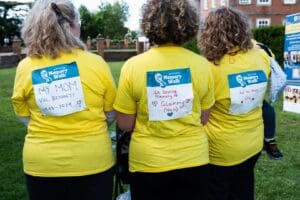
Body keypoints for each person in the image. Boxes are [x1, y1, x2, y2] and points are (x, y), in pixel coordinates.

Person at [11, 0, 116, 199]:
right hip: (93, 160)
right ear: (72, 27)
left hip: (42, 164)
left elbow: (22, 112)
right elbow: (110, 113)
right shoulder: (96, 63)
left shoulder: (26, 67)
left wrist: (52, 119)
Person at [113, 0, 215, 199]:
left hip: (148, 163)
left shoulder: (133, 66)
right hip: (193, 159)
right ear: (189, 24)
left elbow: (125, 123)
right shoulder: (202, 65)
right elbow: (204, 118)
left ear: (148, 24)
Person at [199, 7, 270, 199]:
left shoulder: (209, 67)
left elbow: (200, 116)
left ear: (209, 33)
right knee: (244, 190)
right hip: (253, 143)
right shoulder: (261, 56)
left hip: (221, 152)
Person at [254, 41, 284, 160]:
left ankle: (269, 139)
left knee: (268, 111)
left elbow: (271, 62)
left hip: (252, 83)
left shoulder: (260, 46)